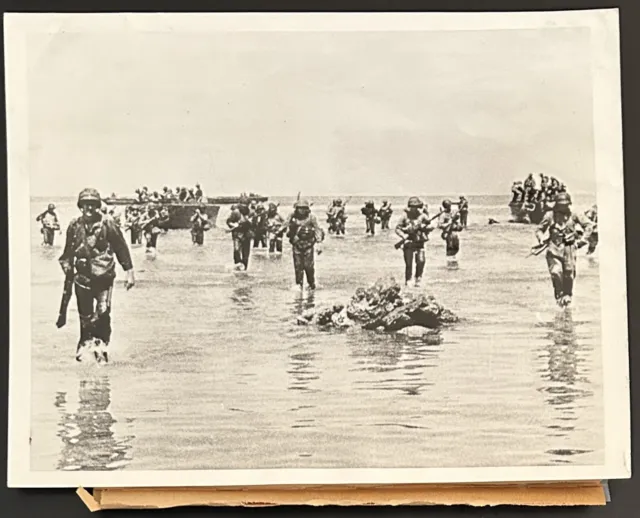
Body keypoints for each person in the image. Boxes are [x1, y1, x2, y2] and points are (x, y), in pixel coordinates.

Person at [58, 188, 135, 363]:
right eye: (86, 204)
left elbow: (121, 247)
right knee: (85, 316)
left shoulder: (108, 223)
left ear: (98, 205)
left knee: (103, 312)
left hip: (104, 277)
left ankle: (101, 345)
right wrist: (68, 269)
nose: (89, 208)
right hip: (82, 278)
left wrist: (129, 272)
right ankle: (85, 345)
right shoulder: (74, 226)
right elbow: (67, 253)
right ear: (80, 206)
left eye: (93, 204)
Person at [535, 192, 594, 307]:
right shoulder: (549, 215)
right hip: (554, 248)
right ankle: (559, 296)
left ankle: (567, 297)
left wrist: (582, 241)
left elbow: (589, 226)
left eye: (565, 205)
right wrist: (541, 238)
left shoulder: (574, 215)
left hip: (569, 249)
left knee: (569, 274)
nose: (563, 207)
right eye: (561, 205)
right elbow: (539, 229)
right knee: (556, 272)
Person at [283, 199, 324, 290]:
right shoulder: (292, 217)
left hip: (308, 244)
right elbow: (284, 225)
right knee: (298, 266)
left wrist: (319, 243)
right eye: (299, 208)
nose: (301, 211)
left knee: (308, 266)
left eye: (304, 208)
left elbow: (317, 229)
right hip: (296, 244)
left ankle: (311, 283)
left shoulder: (311, 217)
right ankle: (299, 285)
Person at [395, 197, 435, 287]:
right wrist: (404, 235)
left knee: (421, 261)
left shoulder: (422, 216)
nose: (414, 208)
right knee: (409, 263)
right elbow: (397, 228)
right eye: (413, 206)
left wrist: (423, 227)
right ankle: (408, 280)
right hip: (408, 242)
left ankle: (418, 278)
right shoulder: (404, 216)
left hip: (419, 242)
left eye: (416, 206)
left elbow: (432, 226)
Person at [226, 199, 254, 270]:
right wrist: (233, 225)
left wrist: (250, 223)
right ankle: (237, 266)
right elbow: (228, 221)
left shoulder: (251, 212)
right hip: (237, 234)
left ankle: (244, 269)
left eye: (246, 205)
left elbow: (254, 225)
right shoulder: (236, 212)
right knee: (236, 250)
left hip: (247, 234)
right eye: (242, 204)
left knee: (246, 254)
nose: (244, 206)